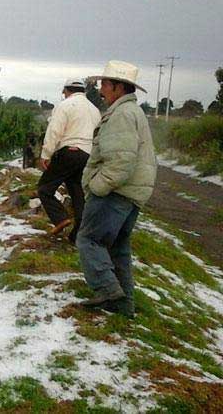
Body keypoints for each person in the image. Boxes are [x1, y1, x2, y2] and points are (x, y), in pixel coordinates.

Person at [76, 60, 157, 318]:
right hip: (131, 194)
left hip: (116, 193)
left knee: (88, 239)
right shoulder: (132, 112)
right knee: (118, 249)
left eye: (104, 84)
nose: (101, 90)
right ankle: (124, 306)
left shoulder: (121, 115)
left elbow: (121, 161)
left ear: (118, 87)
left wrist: (96, 186)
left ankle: (108, 290)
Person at [37, 78, 101, 243]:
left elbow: (54, 131)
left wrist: (46, 154)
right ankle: (77, 234)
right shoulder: (94, 110)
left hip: (69, 151)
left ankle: (60, 218)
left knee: (45, 188)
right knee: (77, 191)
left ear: (67, 90)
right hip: (87, 154)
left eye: (64, 92)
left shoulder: (65, 105)